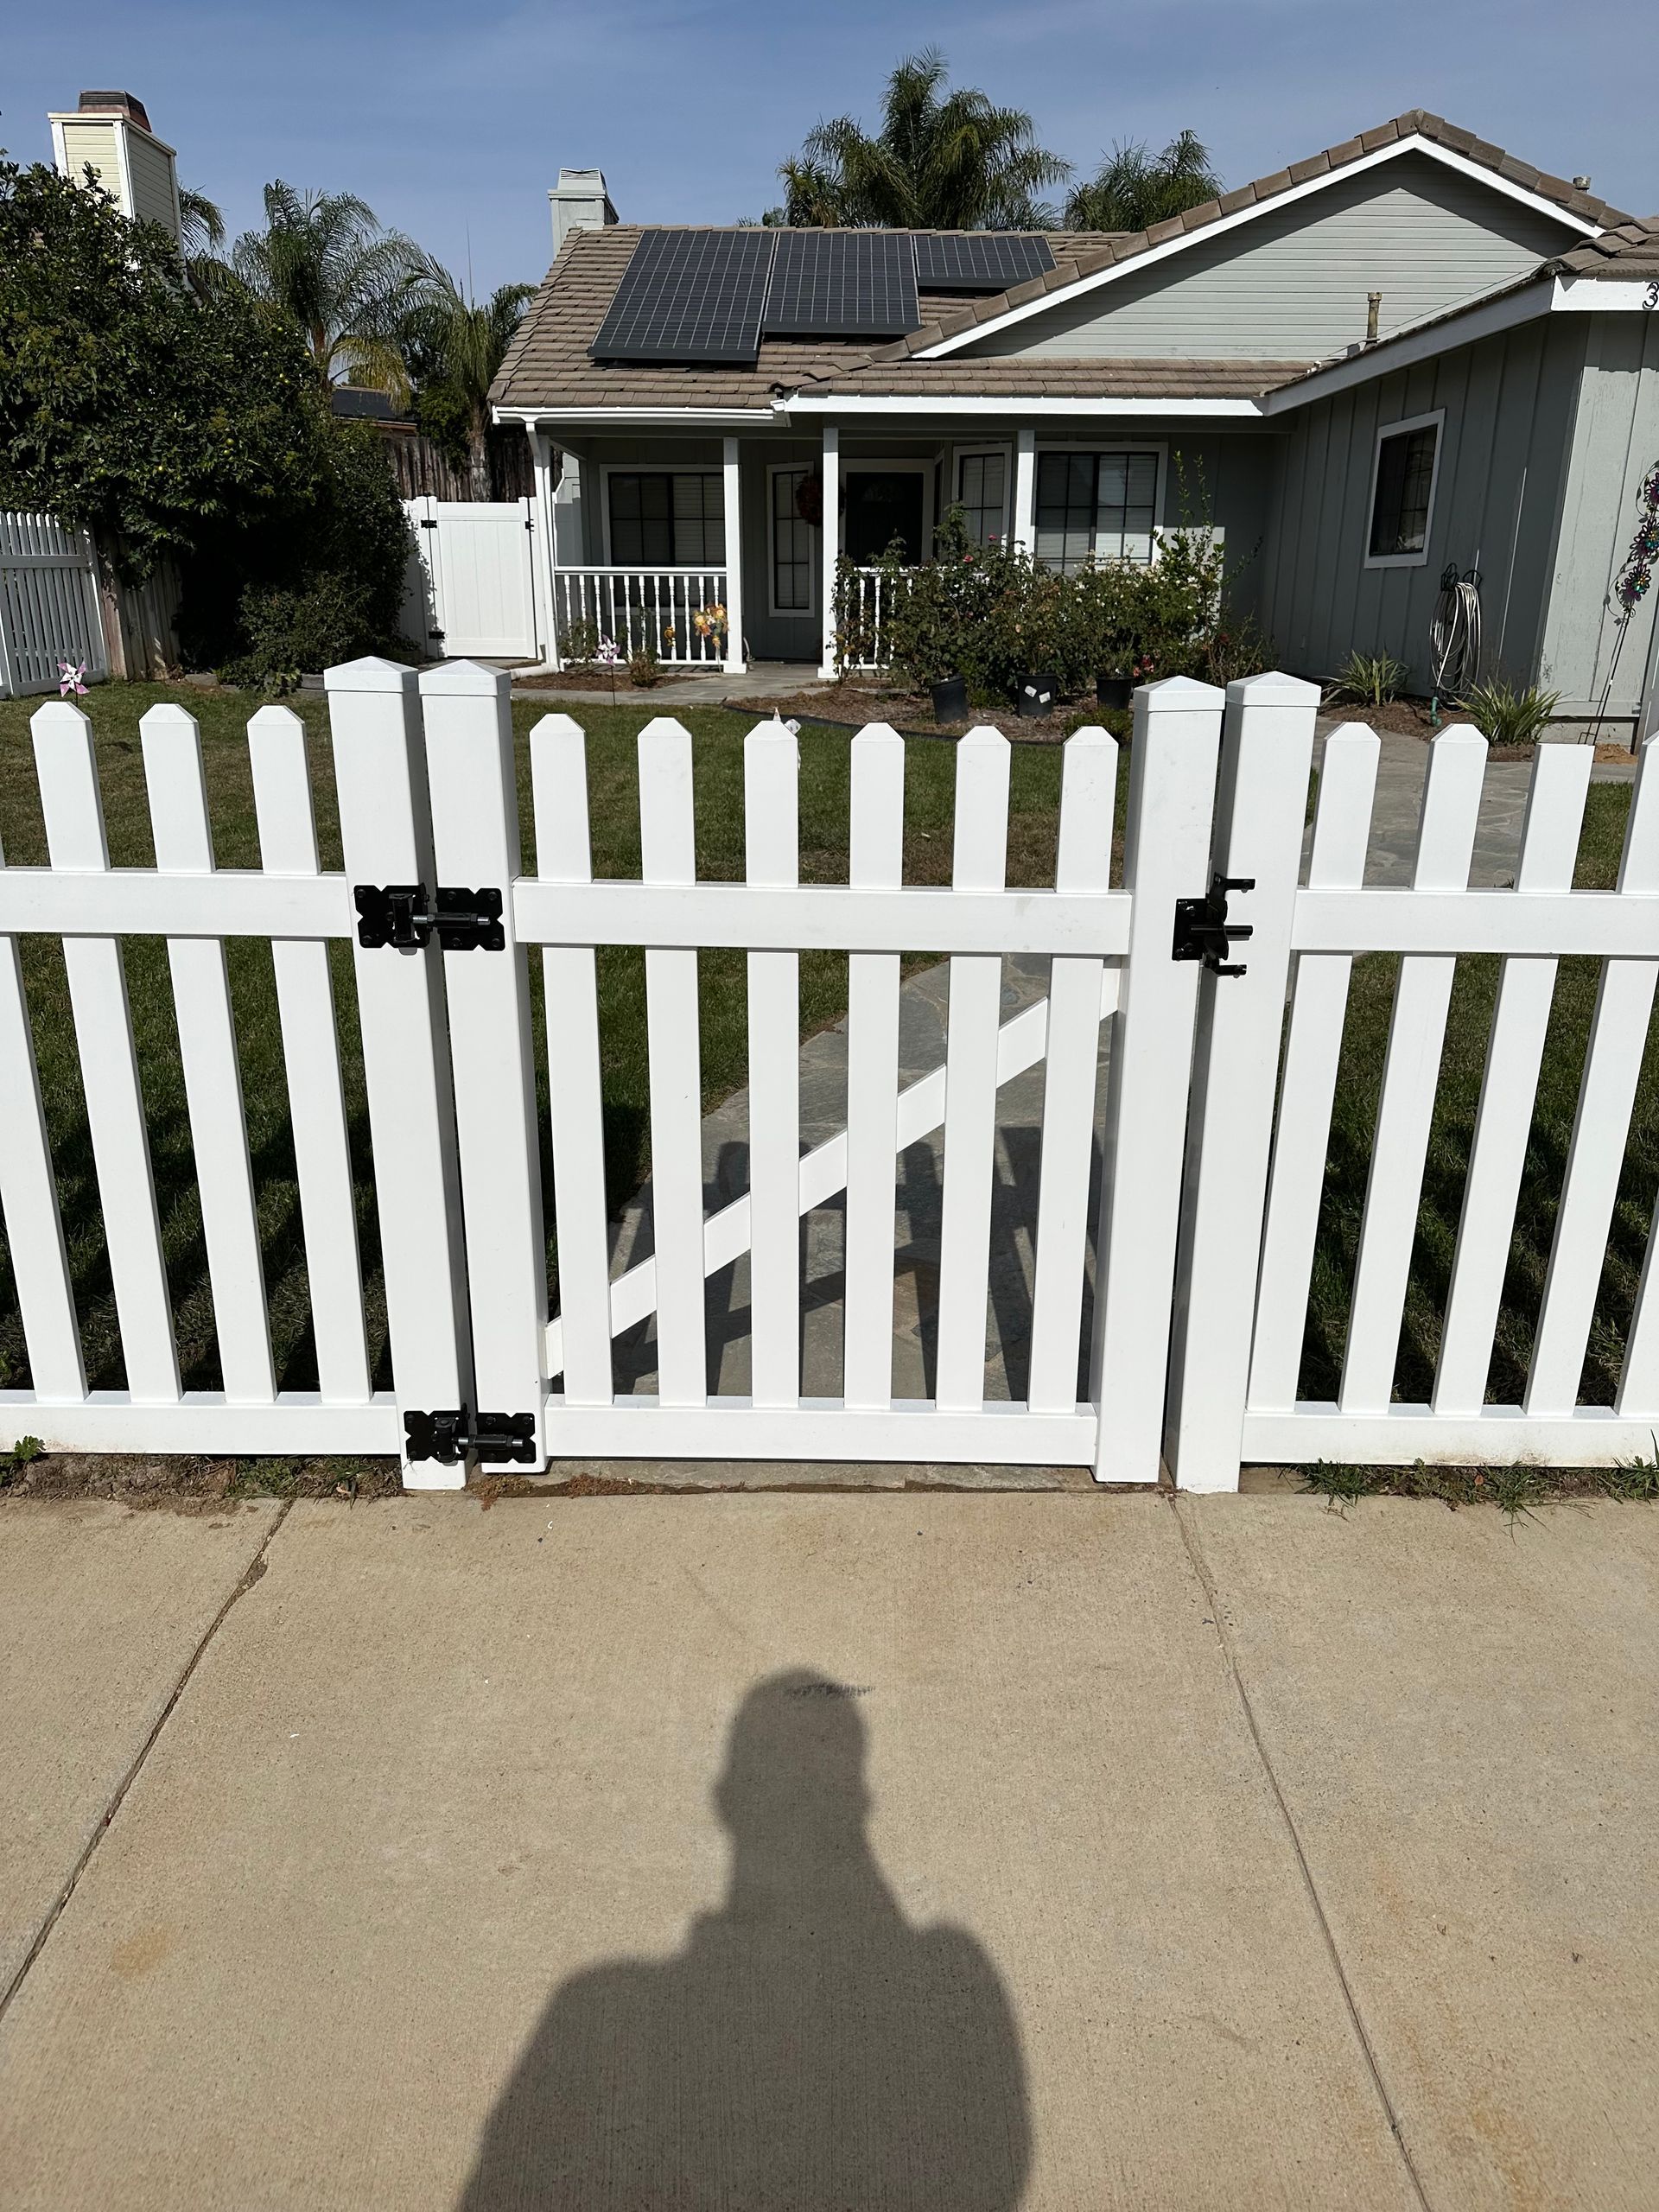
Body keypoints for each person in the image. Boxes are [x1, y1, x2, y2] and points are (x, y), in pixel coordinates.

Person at [457, 1669, 1030, 2209]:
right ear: (861, 1799)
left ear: (726, 1801)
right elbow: (995, 2167)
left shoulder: (597, 2010)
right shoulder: (946, 1981)